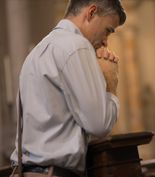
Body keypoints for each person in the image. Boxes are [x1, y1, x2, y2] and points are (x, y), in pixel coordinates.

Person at [10, 0, 126, 177]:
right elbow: (99, 125)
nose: (105, 42)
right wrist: (111, 83)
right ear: (91, 12)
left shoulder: (38, 51)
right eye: (108, 30)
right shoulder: (77, 46)